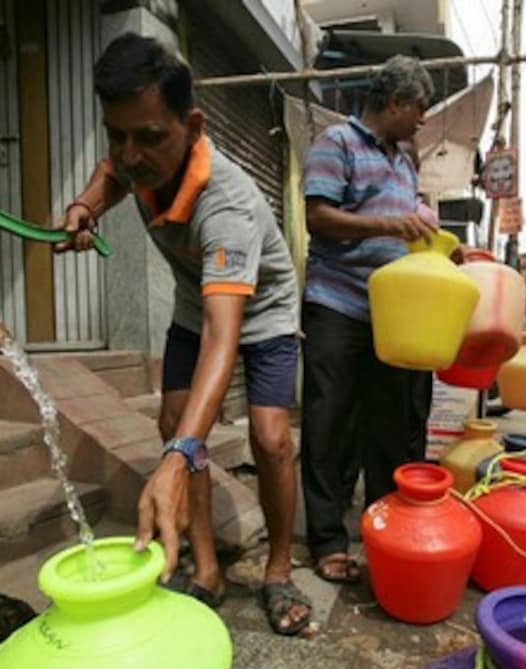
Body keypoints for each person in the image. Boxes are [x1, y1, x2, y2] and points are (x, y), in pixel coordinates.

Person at [54, 33, 311, 635]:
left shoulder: (226, 208)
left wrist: (178, 460)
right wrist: (86, 206)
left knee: (270, 438)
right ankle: (206, 569)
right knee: (174, 422)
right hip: (199, 303)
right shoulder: (137, 156)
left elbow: (226, 340)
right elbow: (115, 175)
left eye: (148, 137)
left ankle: (278, 570)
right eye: (116, 133)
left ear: (192, 125)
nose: (131, 152)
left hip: (263, 309)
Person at [300, 56, 453, 585]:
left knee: (387, 427)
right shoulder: (335, 143)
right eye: (420, 108)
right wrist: (388, 223)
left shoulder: (406, 162)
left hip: (393, 316)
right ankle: (326, 538)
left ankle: (383, 529)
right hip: (337, 304)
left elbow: (407, 234)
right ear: (395, 102)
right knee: (329, 423)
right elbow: (318, 218)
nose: (423, 120)